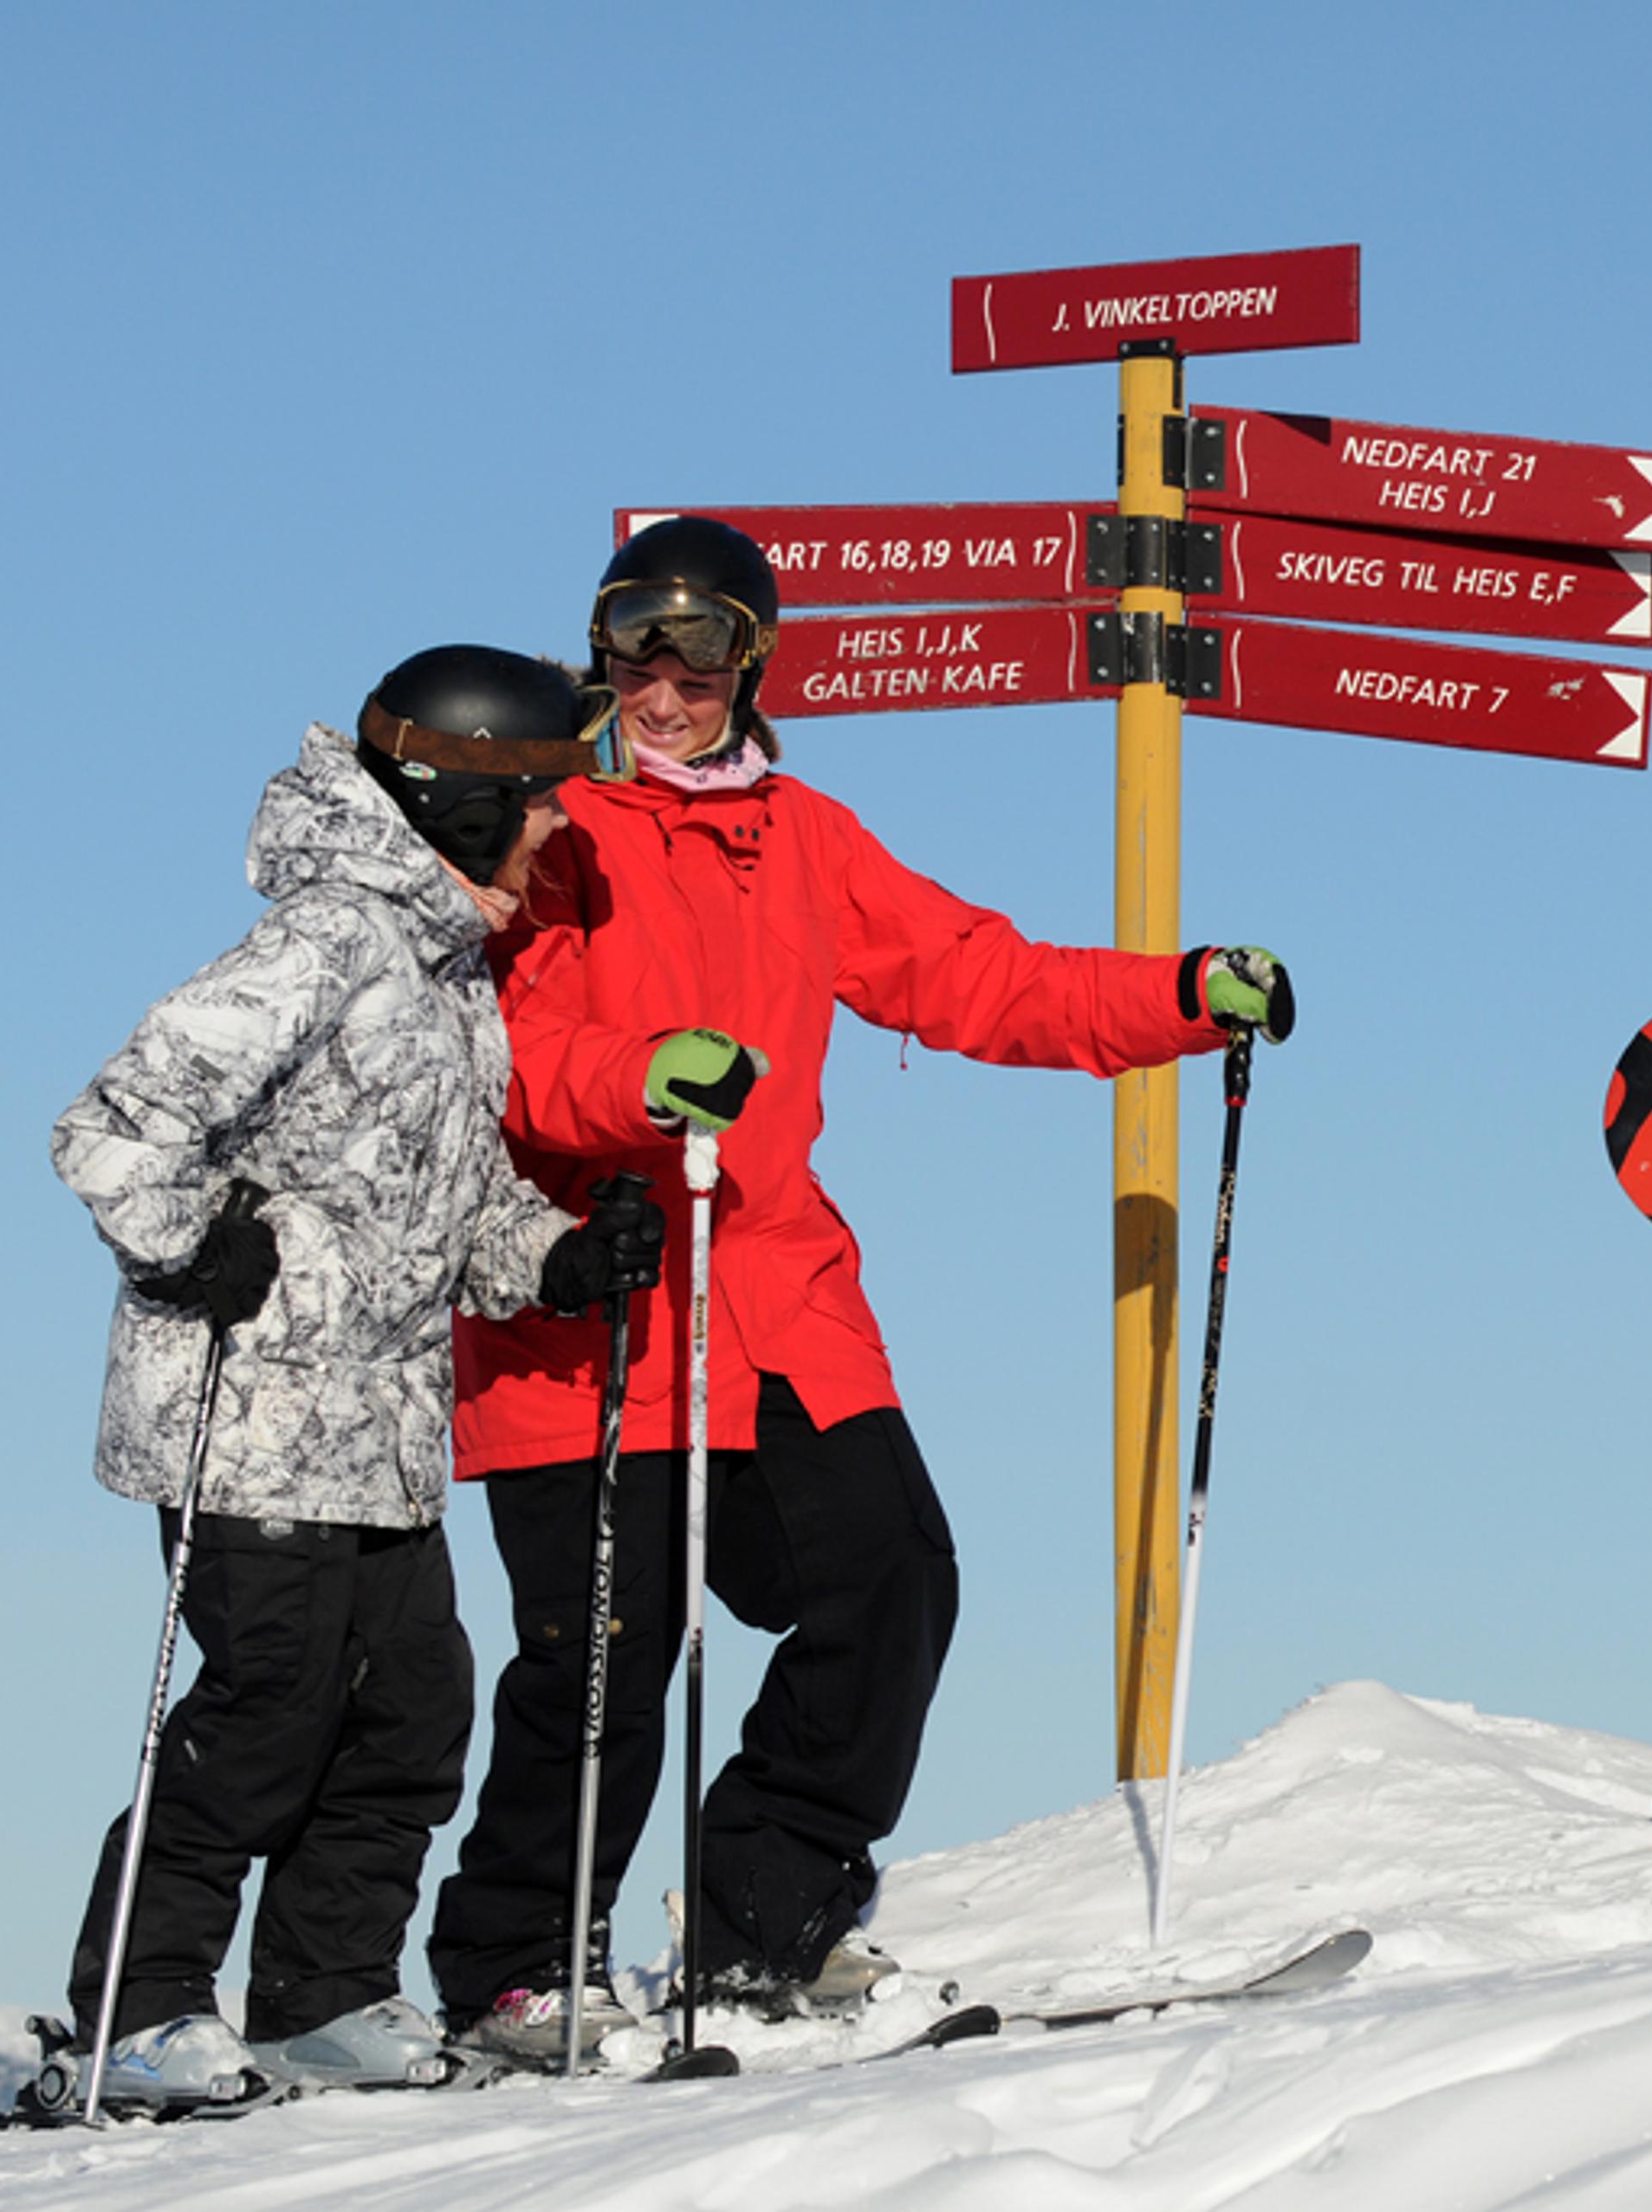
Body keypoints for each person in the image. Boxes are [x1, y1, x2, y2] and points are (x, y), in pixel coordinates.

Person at [424, 517, 1295, 2061]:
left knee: (892, 1579)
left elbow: (980, 974)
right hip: (592, 1302)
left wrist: (1174, 995)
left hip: (776, 1293)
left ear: (753, 656)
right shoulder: (555, 825)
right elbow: (513, 1065)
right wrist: (644, 1080)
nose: (664, 679)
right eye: (635, 640)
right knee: (609, 1650)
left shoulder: (804, 836)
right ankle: (516, 1968)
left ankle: (767, 1915)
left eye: (697, 646)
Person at [31, 647, 670, 2116]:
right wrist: (194, 1245)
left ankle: (322, 1992)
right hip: (246, 1418)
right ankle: (134, 2011)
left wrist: (563, 1254)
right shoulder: (318, 946)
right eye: (546, 798)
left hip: (382, 1432)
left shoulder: (447, 978)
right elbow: (112, 1126)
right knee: (270, 1708)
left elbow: (447, 1205)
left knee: (412, 1711)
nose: (563, 828)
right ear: (461, 801)